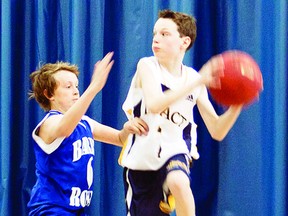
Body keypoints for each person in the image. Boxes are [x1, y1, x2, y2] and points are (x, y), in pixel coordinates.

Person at [118, 10, 243, 216]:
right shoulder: (147, 66)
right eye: (155, 33)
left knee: (179, 181)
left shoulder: (193, 79)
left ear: (184, 42)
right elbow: (156, 104)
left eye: (165, 34)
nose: (156, 39)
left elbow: (217, 130)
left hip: (175, 150)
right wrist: (198, 81)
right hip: (141, 160)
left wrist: (238, 103)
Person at [27, 52, 149, 215]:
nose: (76, 91)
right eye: (68, 87)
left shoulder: (85, 123)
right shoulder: (48, 123)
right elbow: (64, 128)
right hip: (50, 208)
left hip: (77, 209)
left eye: (76, 86)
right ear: (49, 94)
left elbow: (120, 139)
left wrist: (128, 128)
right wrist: (94, 87)